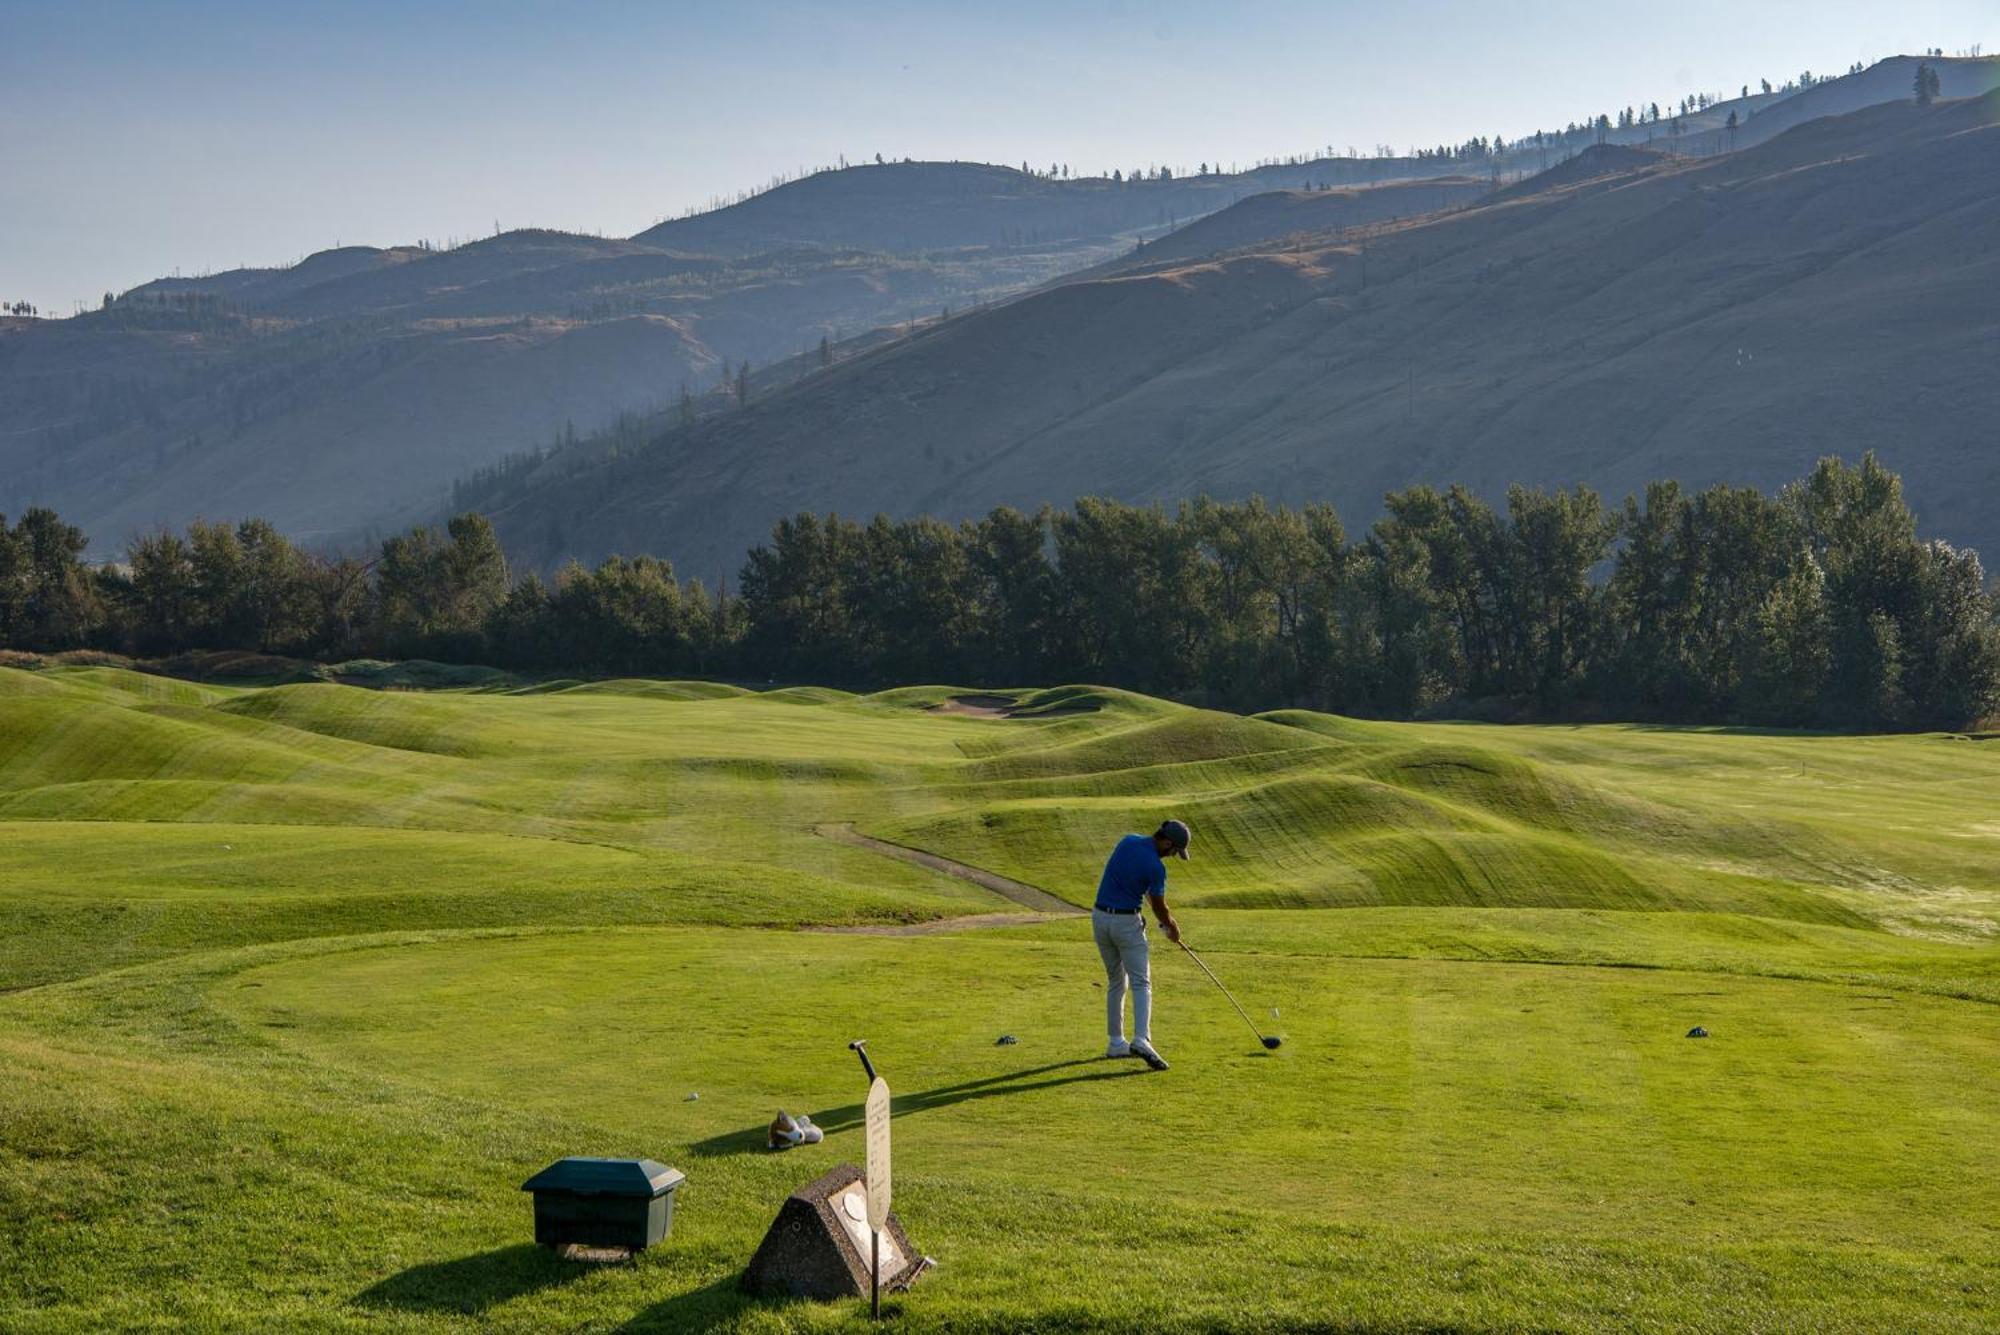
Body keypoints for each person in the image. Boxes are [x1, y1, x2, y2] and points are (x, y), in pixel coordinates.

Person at [1092, 819, 1190, 1071]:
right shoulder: (1156, 867)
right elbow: (1158, 905)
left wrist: (1161, 922)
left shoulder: (1128, 841)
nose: (1172, 856)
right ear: (1167, 842)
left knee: (1117, 981)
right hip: (1126, 923)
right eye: (1173, 851)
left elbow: (1131, 882)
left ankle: (1115, 1043)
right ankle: (1142, 1039)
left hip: (1100, 918)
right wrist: (1171, 926)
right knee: (1141, 982)